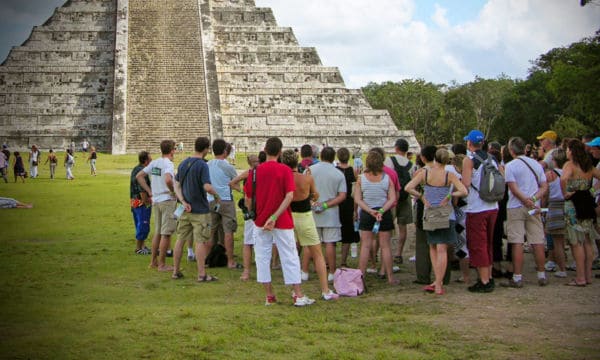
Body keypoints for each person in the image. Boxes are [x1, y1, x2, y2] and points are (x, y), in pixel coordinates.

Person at [244, 137, 314, 306]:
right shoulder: (284, 170)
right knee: (289, 255)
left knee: (262, 257)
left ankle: (269, 295)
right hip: (281, 219)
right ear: (280, 152)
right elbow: (289, 195)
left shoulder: (254, 172)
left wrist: (258, 215)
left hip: (260, 220)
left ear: (265, 150)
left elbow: (248, 197)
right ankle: (297, 294)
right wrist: (274, 216)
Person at [405, 148, 468, 295]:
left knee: (433, 247)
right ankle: (439, 282)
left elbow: (408, 187)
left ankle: (437, 281)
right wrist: (450, 195)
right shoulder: (449, 175)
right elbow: (464, 191)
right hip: (446, 214)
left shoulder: (425, 173)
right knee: (442, 249)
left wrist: (421, 197)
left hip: (430, 213)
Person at [281, 149, 339, 300]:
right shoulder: (306, 178)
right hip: (305, 216)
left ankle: (296, 289)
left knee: (292, 253)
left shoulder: (282, 179)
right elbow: (315, 195)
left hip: (288, 216)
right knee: (317, 253)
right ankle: (325, 290)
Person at [502, 137, 549, 288]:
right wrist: (533, 199)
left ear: (511, 150)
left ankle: (517, 276)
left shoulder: (510, 166)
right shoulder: (536, 164)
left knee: (517, 242)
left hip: (516, 206)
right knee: (537, 240)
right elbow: (544, 186)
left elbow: (513, 188)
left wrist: (524, 199)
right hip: (534, 206)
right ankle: (541, 274)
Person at [172, 137, 220, 282]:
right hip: (200, 209)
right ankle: (201, 274)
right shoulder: (202, 165)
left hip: (186, 208)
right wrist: (217, 195)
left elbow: (177, 185)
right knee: (200, 241)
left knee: (180, 239)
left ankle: (175, 271)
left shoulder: (184, 163)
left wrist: (183, 201)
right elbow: (206, 186)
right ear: (206, 149)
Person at [461, 130, 500, 293]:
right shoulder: (493, 158)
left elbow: (466, 184)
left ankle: (484, 280)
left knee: (478, 244)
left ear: (470, 143)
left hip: (477, 207)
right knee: (488, 243)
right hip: (493, 205)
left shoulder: (469, 161)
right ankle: (488, 275)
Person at [354, 150, 398, 285]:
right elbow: (392, 198)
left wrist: (369, 210)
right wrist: (382, 210)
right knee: (386, 246)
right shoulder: (387, 178)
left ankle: (361, 276)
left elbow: (357, 199)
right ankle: (390, 277)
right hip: (383, 214)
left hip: (368, 213)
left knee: (365, 246)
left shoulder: (361, 178)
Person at [561, 139, 600, 286]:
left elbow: (564, 178)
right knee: (588, 240)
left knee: (576, 242)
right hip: (587, 202)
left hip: (574, 204)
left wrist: (566, 192)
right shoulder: (588, 166)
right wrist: (592, 189)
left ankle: (580, 277)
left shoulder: (570, 165)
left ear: (571, 150)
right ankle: (588, 276)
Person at [136, 140, 177, 272]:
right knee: (166, 233)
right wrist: (173, 191)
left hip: (157, 200)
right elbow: (168, 179)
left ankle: (153, 261)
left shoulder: (155, 163)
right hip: (166, 199)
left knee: (158, 232)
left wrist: (149, 191)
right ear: (172, 150)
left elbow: (139, 176)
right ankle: (162, 264)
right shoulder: (168, 163)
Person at [308, 146, 347, 281]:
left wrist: (313, 203)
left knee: (312, 242)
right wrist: (326, 205)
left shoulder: (311, 170)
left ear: (320, 156)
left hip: (313, 211)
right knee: (330, 243)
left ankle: (305, 270)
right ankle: (331, 272)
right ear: (333, 157)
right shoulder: (338, 174)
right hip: (330, 212)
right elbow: (342, 195)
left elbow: (305, 190)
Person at [207, 139, 239, 269]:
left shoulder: (207, 164)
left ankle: (208, 258)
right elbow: (235, 181)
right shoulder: (227, 166)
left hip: (211, 199)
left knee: (212, 230)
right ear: (225, 151)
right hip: (225, 199)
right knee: (228, 231)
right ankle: (230, 260)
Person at [384, 138, 415, 265]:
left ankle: (387, 253)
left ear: (396, 148)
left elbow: (385, 176)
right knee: (403, 227)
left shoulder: (390, 160)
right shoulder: (411, 165)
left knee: (388, 227)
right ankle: (398, 253)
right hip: (405, 196)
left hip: (391, 195)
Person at [229, 154, 260, 281]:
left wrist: (242, 191)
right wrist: (243, 192)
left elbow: (232, 183)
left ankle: (248, 271)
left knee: (249, 242)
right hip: (254, 208)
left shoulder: (250, 173)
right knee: (249, 242)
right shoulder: (249, 173)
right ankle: (248, 271)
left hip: (253, 208)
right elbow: (232, 183)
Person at [542, 149, 568, 278]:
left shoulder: (550, 175)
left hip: (553, 206)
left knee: (556, 241)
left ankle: (561, 268)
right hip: (566, 206)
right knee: (564, 240)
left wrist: (542, 208)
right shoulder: (568, 174)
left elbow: (545, 195)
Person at [335, 147, 359, 267]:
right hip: (349, 203)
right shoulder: (353, 171)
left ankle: (331, 262)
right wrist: (356, 209)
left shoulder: (335, 170)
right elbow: (355, 191)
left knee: (334, 233)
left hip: (337, 203)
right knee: (347, 234)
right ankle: (343, 261)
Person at [130, 151, 153, 255]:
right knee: (143, 224)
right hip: (141, 202)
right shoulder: (142, 172)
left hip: (134, 201)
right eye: (150, 160)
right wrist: (147, 201)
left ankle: (142, 246)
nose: (151, 161)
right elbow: (141, 190)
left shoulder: (136, 169)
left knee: (139, 223)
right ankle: (138, 247)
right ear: (146, 161)